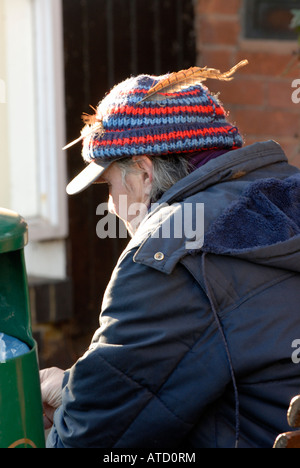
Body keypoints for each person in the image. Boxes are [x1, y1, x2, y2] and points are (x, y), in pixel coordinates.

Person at [40, 63, 300, 448]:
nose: (111, 207)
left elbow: (88, 439)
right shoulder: (288, 194)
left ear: (144, 174)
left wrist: (67, 409)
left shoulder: (169, 254)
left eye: (108, 185)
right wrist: (75, 389)